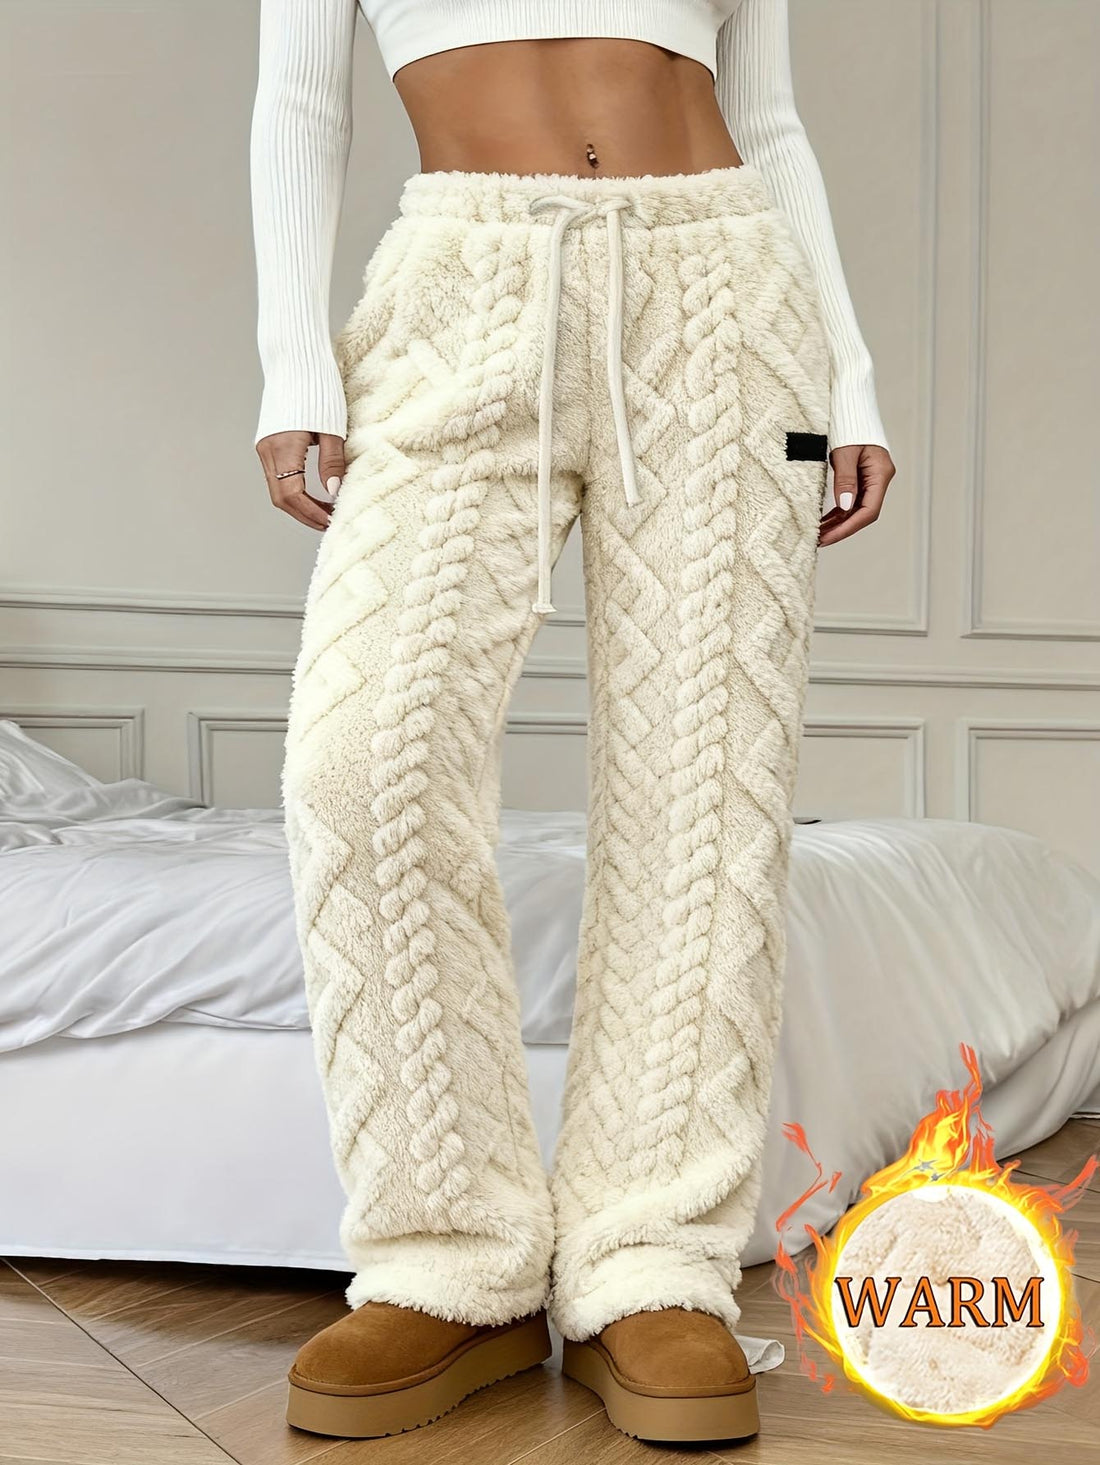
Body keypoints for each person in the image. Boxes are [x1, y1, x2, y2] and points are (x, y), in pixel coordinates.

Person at [250, 0, 896, 1445]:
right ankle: (447, 1254)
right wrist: (294, 363)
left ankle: (651, 1259)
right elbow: (301, 104)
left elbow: (768, 115)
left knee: (703, 784)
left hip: (728, 295)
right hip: (460, 290)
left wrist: (849, 377)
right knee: (361, 764)